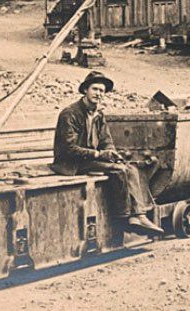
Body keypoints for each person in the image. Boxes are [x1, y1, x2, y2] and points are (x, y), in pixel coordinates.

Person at [52, 71, 164, 236]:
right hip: (71, 163)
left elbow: (106, 141)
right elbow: (69, 148)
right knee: (119, 171)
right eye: (95, 89)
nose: (98, 94)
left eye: (101, 91)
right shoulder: (70, 113)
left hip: (89, 159)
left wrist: (112, 153)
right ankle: (125, 217)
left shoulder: (99, 114)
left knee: (130, 168)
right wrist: (99, 155)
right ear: (85, 90)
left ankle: (139, 215)